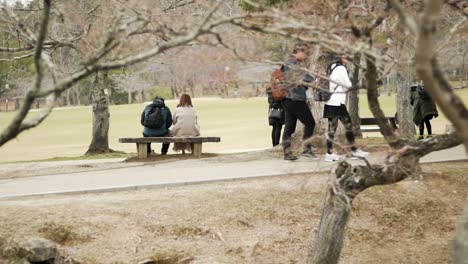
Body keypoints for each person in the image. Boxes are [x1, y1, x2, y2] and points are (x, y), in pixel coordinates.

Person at [323, 54, 369, 162]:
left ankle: (329, 153)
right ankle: (353, 151)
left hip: (330, 102)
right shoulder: (340, 68)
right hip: (337, 102)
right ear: (339, 58)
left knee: (332, 129)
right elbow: (347, 85)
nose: (347, 59)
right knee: (348, 125)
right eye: (345, 57)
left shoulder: (332, 67)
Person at [281, 43, 317, 161]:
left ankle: (287, 153)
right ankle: (307, 149)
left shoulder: (288, 63)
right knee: (310, 123)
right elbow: (307, 78)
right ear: (299, 52)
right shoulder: (293, 64)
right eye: (305, 53)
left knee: (289, 127)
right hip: (295, 99)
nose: (306, 56)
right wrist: (313, 78)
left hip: (287, 99)